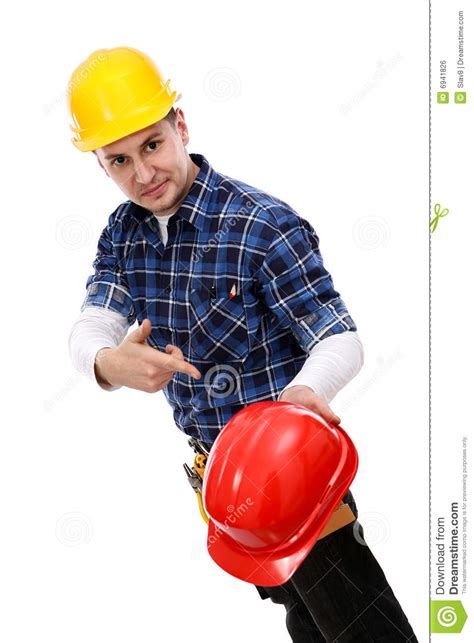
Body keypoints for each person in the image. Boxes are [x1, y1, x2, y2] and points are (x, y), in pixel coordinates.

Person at [68, 47, 417, 641]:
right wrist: (107, 362)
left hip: (293, 472)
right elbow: (93, 322)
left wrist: (305, 395)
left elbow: (341, 338)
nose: (143, 173)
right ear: (102, 166)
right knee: (304, 621)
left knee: (359, 626)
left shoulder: (261, 224)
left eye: (151, 144)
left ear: (180, 126)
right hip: (223, 488)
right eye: (119, 159)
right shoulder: (123, 233)